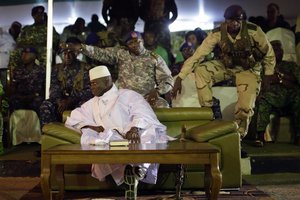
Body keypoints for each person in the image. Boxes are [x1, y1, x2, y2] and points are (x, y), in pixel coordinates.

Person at [172, 5, 276, 157]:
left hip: (248, 69)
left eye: (237, 20)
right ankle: (210, 112)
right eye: (230, 20)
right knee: (201, 70)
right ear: (225, 20)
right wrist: (180, 77)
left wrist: (268, 75)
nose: (234, 24)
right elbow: (198, 55)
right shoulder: (217, 33)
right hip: (227, 66)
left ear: (242, 20)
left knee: (245, 108)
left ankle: (237, 139)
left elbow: (269, 53)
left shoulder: (254, 30)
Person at [65, 65, 172, 197]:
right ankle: (132, 174)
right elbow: (73, 118)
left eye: (94, 83)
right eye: (90, 84)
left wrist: (135, 128)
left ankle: (138, 172)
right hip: (113, 139)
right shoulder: (91, 103)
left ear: (106, 81)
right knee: (104, 142)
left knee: (149, 132)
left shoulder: (128, 95)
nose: (91, 87)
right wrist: (92, 126)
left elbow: (142, 112)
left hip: (134, 137)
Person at [62, 31, 173, 108]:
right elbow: (100, 53)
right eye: (131, 43)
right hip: (123, 98)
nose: (135, 45)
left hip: (147, 98)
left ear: (142, 40)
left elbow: (167, 79)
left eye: (137, 41)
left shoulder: (154, 58)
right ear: (126, 45)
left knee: (163, 106)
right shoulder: (121, 54)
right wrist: (81, 48)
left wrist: (157, 91)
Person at [255, 40, 300, 147]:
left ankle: (299, 136)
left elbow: (296, 80)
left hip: (290, 100)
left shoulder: (290, 66)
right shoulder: (264, 67)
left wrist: (280, 78)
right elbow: (263, 83)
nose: (278, 52)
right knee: (263, 100)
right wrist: (286, 80)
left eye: (280, 50)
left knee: (298, 97)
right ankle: (260, 136)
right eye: (275, 50)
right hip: (271, 100)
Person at [40, 38, 93, 128]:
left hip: (77, 101)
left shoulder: (86, 69)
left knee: (85, 106)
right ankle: (49, 133)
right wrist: (59, 101)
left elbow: (89, 91)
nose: (67, 57)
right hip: (61, 102)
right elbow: (54, 88)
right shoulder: (57, 69)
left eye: (70, 53)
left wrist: (71, 100)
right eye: (65, 53)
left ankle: (79, 134)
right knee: (46, 105)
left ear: (76, 53)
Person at [9, 47, 45, 117]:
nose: (23, 56)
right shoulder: (18, 70)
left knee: (39, 102)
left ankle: (38, 126)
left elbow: (44, 89)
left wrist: (33, 96)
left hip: (35, 97)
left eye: (27, 54)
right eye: (23, 54)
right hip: (21, 97)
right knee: (13, 101)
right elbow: (13, 87)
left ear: (34, 56)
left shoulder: (41, 71)